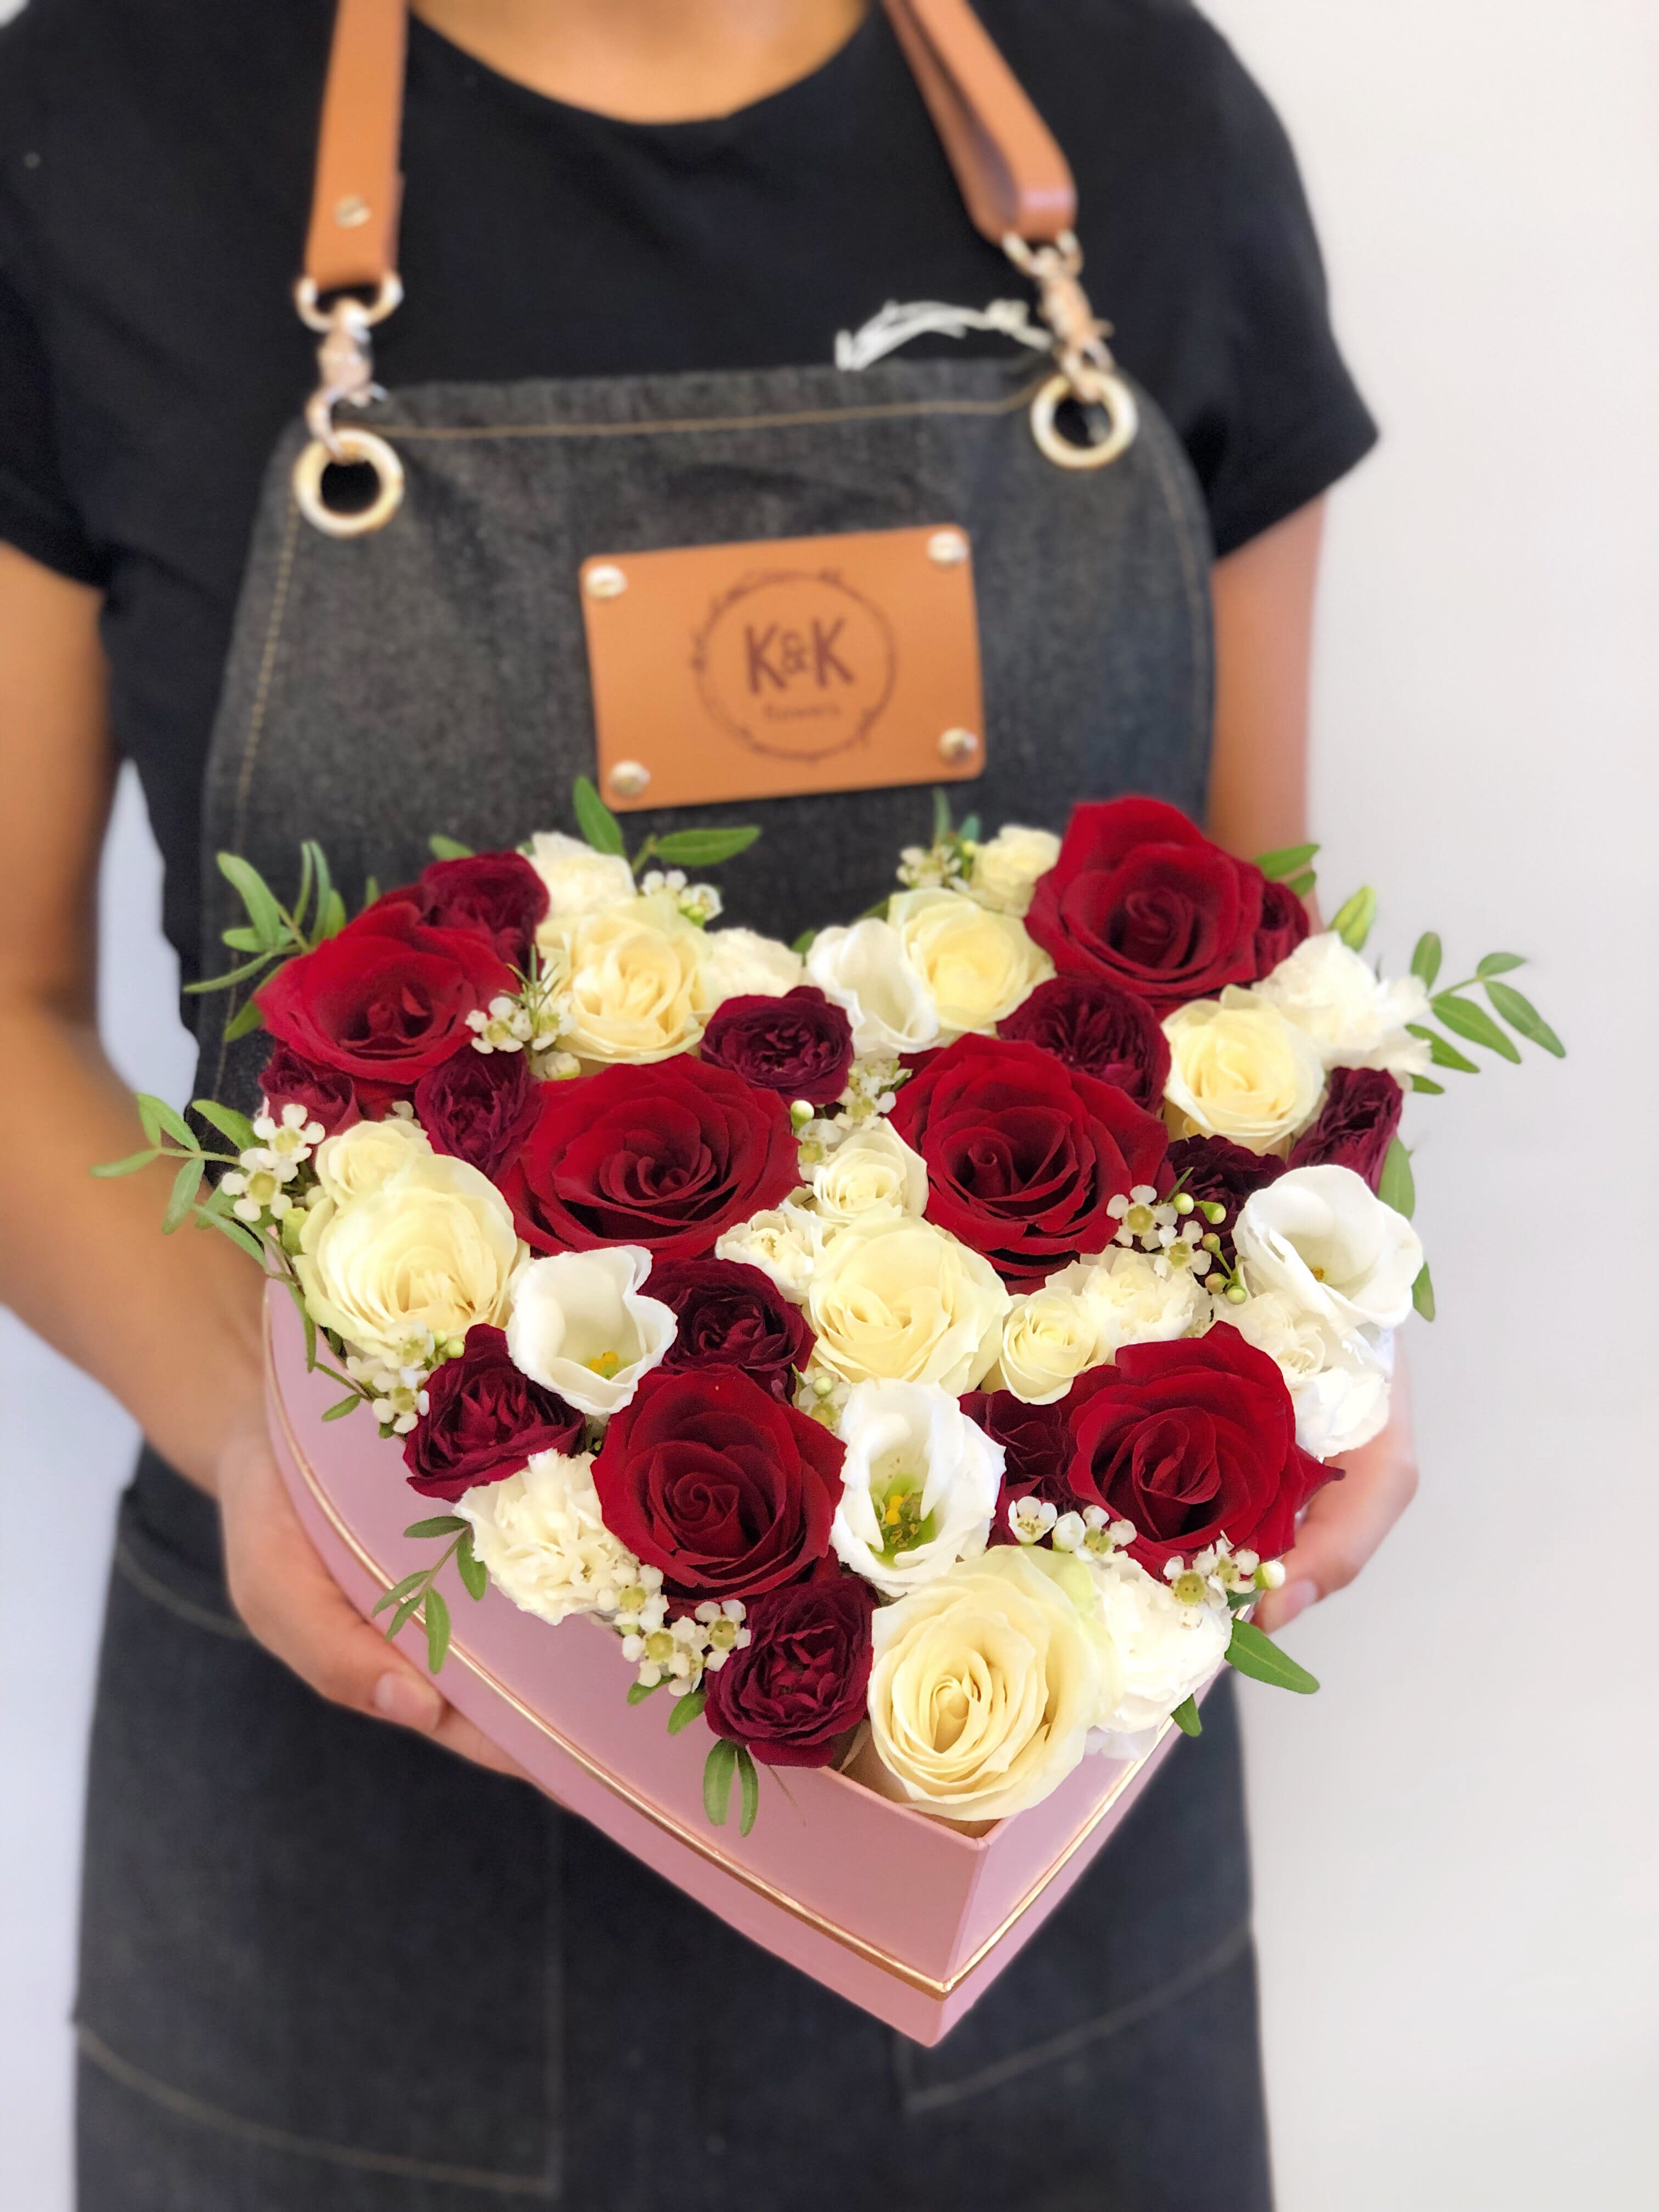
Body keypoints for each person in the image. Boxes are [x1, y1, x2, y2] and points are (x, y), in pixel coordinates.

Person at [0, 2, 1418, 2204]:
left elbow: (1266, 987)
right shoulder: (104, 122)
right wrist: (282, 1455)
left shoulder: (1140, 112)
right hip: (351, 1828)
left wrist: (1317, 1355)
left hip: (1035, 1845)